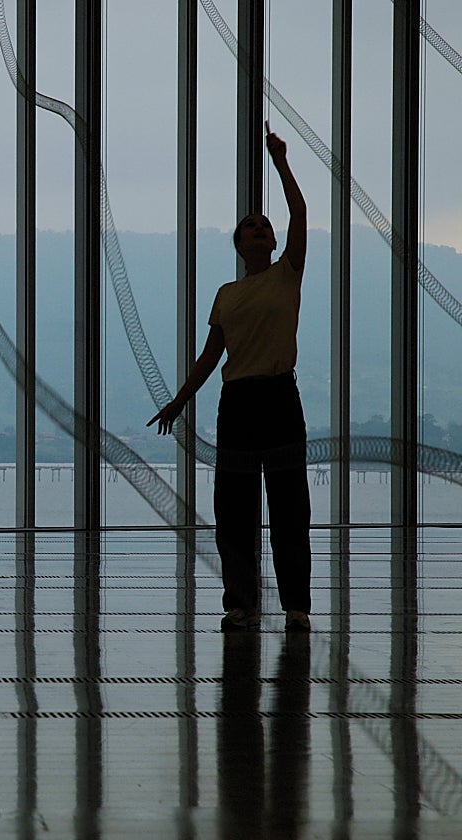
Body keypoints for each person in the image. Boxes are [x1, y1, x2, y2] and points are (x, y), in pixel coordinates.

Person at [148, 123, 311, 633]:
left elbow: (300, 213)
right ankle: (241, 602)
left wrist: (281, 162)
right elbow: (211, 355)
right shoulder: (225, 295)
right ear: (239, 244)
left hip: (280, 396)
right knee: (234, 510)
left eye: (265, 225)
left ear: (273, 241)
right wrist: (179, 401)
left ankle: (296, 606)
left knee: (289, 508)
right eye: (251, 227)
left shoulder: (288, 272)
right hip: (237, 403)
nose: (260, 229)